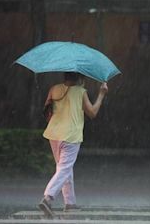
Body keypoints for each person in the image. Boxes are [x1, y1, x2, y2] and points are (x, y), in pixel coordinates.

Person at [38, 72, 108, 216]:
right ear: (80, 78)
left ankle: (70, 203)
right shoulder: (81, 92)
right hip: (71, 135)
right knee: (64, 168)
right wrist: (101, 95)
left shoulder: (54, 89)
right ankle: (48, 197)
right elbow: (92, 113)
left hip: (54, 134)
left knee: (64, 168)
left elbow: (47, 110)